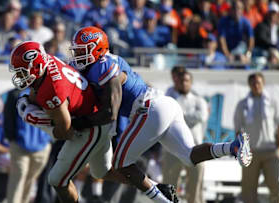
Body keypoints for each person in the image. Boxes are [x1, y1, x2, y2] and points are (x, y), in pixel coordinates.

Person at [68, 26, 252, 203]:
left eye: (82, 50)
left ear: (97, 49)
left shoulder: (103, 65)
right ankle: (232, 147)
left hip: (149, 109)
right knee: (189, 156)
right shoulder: (98, 65)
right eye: (76, 50)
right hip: (164, 105)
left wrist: (77, 124)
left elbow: (110, 113)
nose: (77, 55)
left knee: (121, 163)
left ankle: (163, 199)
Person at [9, 41, 176, 203]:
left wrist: (37, 120)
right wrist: (30, 100)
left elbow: (66, 132)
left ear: (37, 67)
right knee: (103, 172)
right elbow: (39, 89)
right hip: (96, 120)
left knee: (57, 180)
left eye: (22, 72)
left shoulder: (51, 90)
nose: (19, 76)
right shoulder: (49, 61)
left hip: (90, 127)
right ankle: (157, 188)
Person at [234, 72, 279, 203]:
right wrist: (241, 150)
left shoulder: (272, 102)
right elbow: (238, 128)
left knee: (274, 184)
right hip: (250, 152)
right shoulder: (243, 104)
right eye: (253, 83)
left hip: (270, 150)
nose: (256, 85)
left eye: (258, 82)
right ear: (249, 85)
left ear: (263, 83)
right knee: (248, 188)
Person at [163, 71, 208, 203]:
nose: (183, 83)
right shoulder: (170, 100)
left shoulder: (199, 101)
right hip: (172, 149)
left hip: (195, 148)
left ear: (191, 82)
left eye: (186, 81)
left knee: (195, 186)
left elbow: (201, 117)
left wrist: (179, 118)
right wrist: (184, 118)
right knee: (169, 186)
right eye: (181, 81)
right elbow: (167, 118)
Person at [3, 88, 52, 203]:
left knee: (30, 180)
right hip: (19, 145)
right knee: (18, 177)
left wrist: (48, 141)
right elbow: (8, 118)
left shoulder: (48, 91)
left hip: (42, 147)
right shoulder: (14, 94)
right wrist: (12, 140)